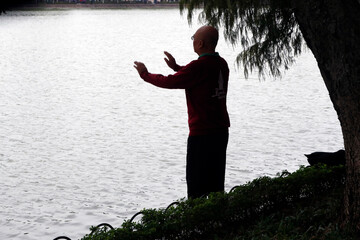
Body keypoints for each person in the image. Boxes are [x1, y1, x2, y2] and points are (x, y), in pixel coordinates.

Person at [134, 26, 230, 199]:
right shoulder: (221, 63)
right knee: (216, 184)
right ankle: (219, 219)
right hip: (221, 132)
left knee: (196, 187)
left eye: (194, 38)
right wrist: (177, 67)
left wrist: (144, 74)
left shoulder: (198, 67)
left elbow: (170, 82)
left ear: (200, 43)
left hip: (202, 134)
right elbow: (199, 77)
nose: (193, 41)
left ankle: (197, 223)